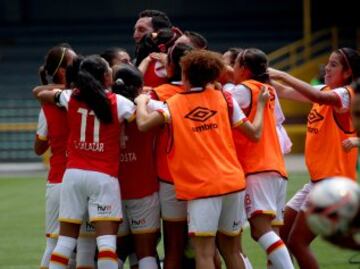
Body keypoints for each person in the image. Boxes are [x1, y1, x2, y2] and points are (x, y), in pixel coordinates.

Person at [135, 50, 269, 269]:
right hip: (233, 183)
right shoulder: (225, 99)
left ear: (185, 73)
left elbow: (143, 124)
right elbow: (254, 133)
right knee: (233, 250)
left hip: (202, 187)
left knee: (204, 253)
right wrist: (261, 105)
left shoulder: (173, 104)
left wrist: (141, 102)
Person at [35, 55, 136, 269]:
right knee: (106, 243)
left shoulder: (71, 96)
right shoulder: (120, 102)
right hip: (103, 176)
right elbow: (139, 119)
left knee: (64, 242)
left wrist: (57, 92)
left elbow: (43, 94)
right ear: (107, 77)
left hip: (72, 176)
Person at [269, 47, 360, 269]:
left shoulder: (346, 94)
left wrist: (282, 74)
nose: (326, 68)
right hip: (318, 183)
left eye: (333, 64)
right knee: (279, 236)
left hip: (333, 185)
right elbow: (284, 91)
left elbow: (317, 95)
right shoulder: (326, 90)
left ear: (348, 73)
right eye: (327, 63)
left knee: (297, 243)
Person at [227, 48, 294, 269]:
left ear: (244, 69)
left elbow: (220, 104)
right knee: (268, 232)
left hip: (257, 168)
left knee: (260, 230)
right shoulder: (267, 90)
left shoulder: (243, 90)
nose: (232, 70)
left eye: (234, 65)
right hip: (276, 168)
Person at [112, 64, 160, 269]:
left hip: (114, 188)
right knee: (145, 251)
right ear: (139, 88)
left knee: (117, 249)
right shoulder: (150, 108)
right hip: (143, 187)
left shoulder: (105, 106)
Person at [34, 44, 76, 269]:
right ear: (62, 71)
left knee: (55, 243)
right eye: (74, 61)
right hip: (83, 176)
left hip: (59, 179)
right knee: (83, 247)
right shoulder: (87, 98)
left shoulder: (46, 105)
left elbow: (39, 148)